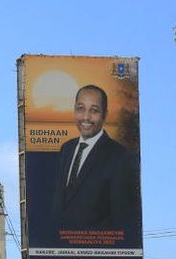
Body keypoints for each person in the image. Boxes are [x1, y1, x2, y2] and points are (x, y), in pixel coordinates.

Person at [52, 84, 139, 231]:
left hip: (99, 249)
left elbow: (122, 217)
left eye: (94, 110)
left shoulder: (120, 157)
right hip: (60, 247)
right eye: (81, 108)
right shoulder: (67, 149)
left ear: (105, 114)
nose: (86, 117)